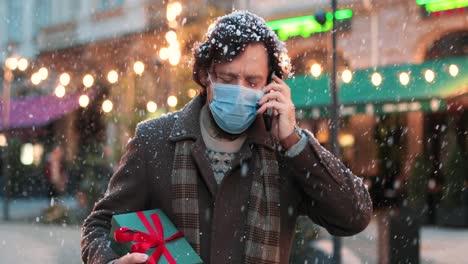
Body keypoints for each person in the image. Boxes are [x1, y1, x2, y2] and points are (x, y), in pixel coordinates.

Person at [81, 11, 372, 264]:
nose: (240, 89)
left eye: (252, 81)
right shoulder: (154, 140)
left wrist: (294, 141)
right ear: (206, 75)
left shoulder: (287, 151)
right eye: (228, 79)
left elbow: (353, 216)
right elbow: (98, 225)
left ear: (272, 84)